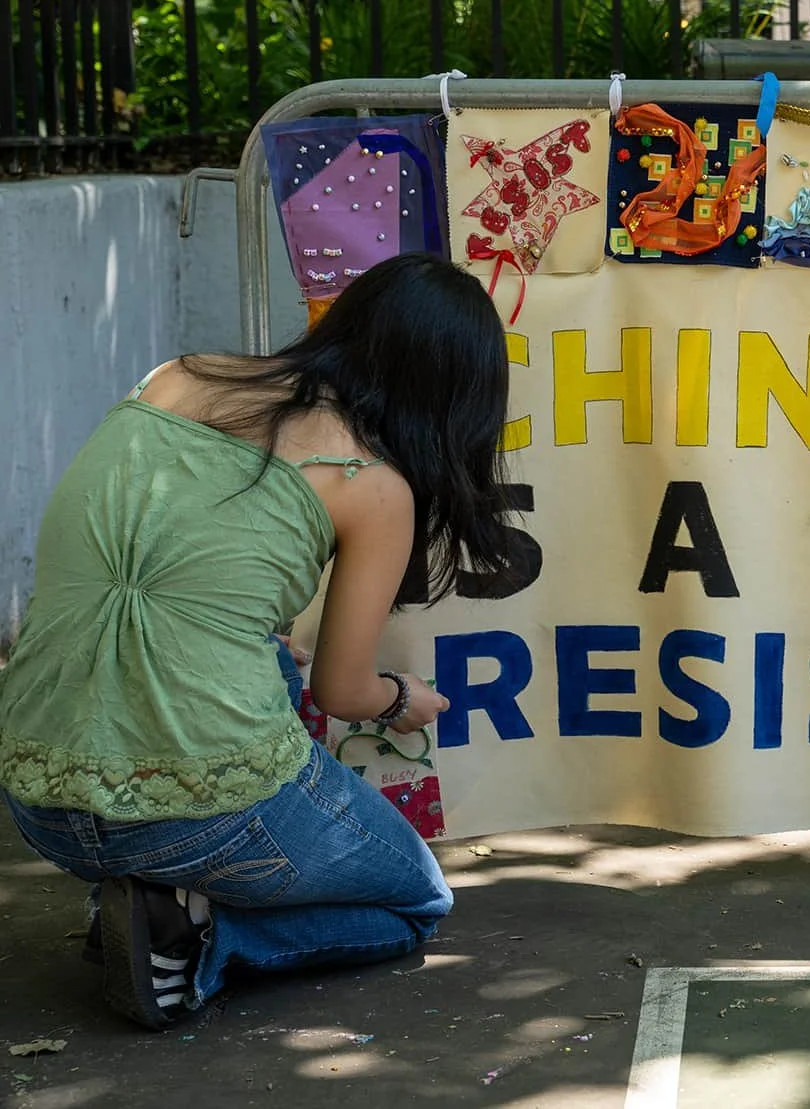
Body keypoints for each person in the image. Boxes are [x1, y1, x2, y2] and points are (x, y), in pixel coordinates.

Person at [0, 253, 516, 1030]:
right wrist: (402, 698)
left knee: (273, 653)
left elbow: (166, 555)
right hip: (200, 812)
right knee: (416, 897)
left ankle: (157, 890)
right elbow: (342, 693)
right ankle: (199, 935)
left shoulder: (177, 375)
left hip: (36, 796)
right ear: (452, 395)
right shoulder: (372, 481)